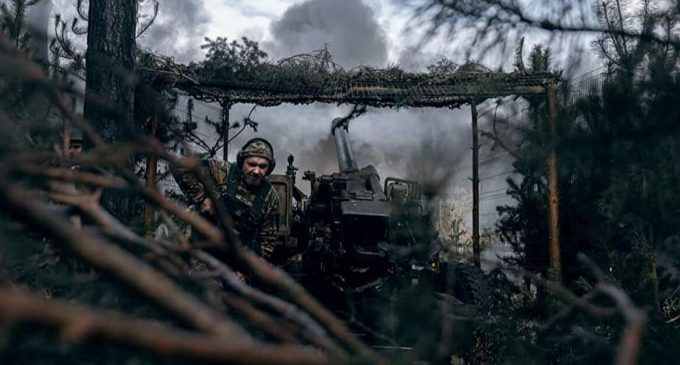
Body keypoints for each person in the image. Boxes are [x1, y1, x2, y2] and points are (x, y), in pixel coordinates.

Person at [172, 138, 281, 260]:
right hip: (202, 250)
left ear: (269, 168)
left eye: (262, 166)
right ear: (242, 162)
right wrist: (203, 198)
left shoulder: (270, 197)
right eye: (251, 164)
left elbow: (267, 243)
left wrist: (248, 271)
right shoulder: (222, 171)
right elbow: (180, 165)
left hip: (236, 260)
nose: (256, 171)